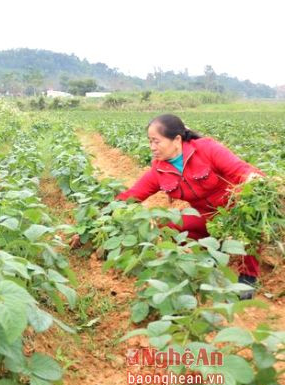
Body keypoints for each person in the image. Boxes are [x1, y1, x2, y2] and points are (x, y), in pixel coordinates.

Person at [71, 114, 263, 298]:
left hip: (234, 211)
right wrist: (96, 224)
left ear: (176, 139)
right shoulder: (160, 169)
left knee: (249, 223)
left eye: (156, 141)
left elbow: (242, 171)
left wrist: (259, 183)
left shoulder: (206, 149)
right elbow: (130, 197)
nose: (152, 147)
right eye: (149, 141)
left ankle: (248, 276)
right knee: (165, 226)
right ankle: (204, 255)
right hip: (205, 215)